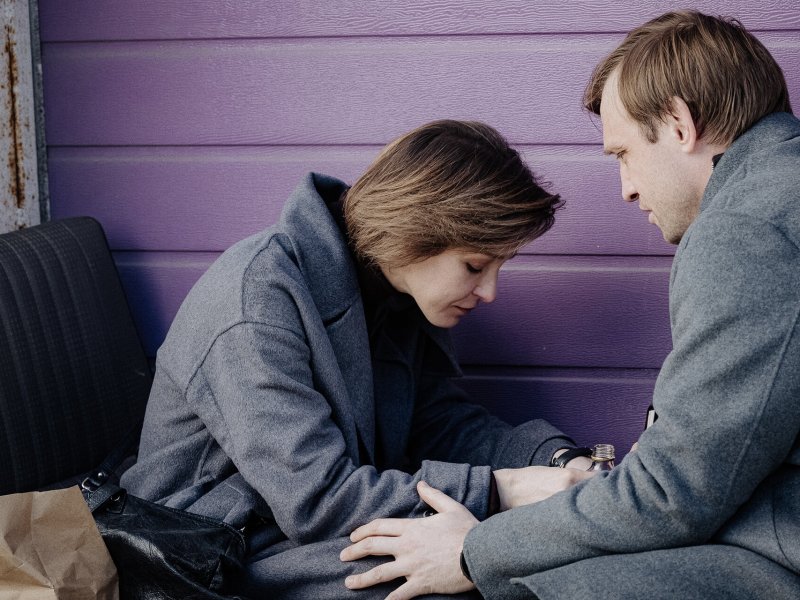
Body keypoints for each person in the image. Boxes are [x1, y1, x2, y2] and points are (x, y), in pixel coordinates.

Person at [341, 11, 800, 600]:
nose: (627, 187)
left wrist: (471, 550)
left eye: (623, 153)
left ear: (679, 124)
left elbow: (671, 495)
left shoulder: (743, 229)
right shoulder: (779, 194)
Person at [121, 119, 594, 598]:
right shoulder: (255, 301)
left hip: (308, 526)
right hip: (206, 549)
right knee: (463, 579)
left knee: (527, 558)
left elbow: (435, 423)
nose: (489, 292)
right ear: (413, 232)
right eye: (475, 265)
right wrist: (502, 490)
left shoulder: (396, 288)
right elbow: (315, 499)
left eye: (499, 266)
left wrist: (557, 461)